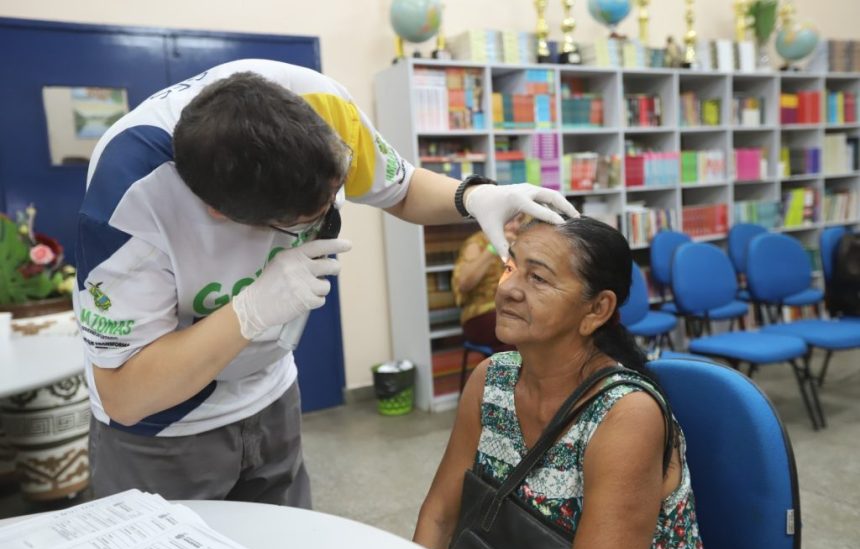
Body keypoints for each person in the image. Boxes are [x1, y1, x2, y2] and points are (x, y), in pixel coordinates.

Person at [73, 59, 577, 507]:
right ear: (221, 214)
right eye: (303, 222)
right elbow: (125, 394)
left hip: (271, 394)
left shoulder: (318, 103)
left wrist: (474, 197)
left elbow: (401, 189)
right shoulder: (130, 195)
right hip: (164, 430)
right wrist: (248, 312)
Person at [414, 218, 706, 549]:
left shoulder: (625, 416)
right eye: (510, 268)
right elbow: (440, 516)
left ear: (597, 309)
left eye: (537, 278)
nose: (507, 289)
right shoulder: (490, 379)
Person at [452, 214, 525, 352]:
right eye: (510, 220)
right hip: (480, 315)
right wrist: (493, 248)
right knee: (518, 335)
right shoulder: (477, 243)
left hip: (512, 309)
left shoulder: (520, 243)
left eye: (519, 220)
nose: (515, 226)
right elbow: (464, 283)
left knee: (536, 331)